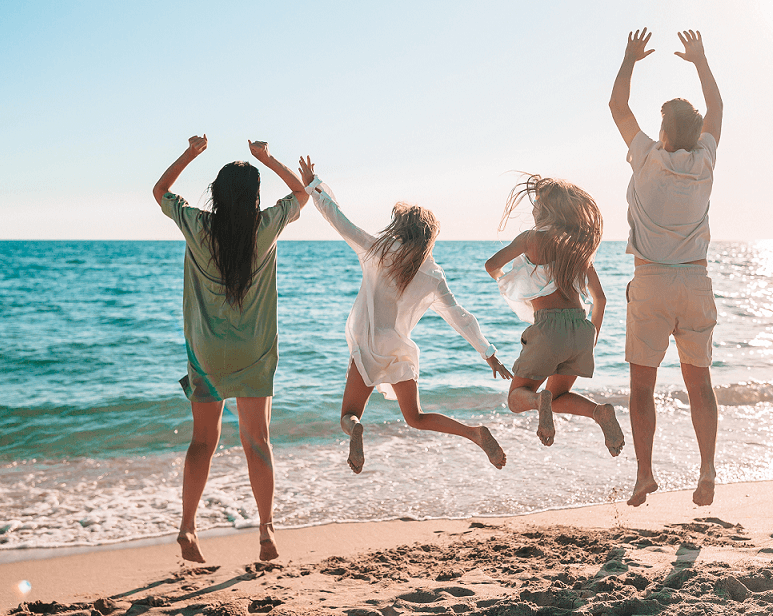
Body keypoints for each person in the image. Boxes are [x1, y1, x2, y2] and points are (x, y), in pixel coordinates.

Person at [152, 135, 311, 563]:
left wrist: (190, 152)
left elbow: (160, 191)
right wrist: (267, 157)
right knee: (256, 441)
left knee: (202, 441)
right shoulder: (266, 226)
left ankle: (187, 528)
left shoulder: (198, 226)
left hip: (206, 356)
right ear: (255, 197)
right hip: (255, 354)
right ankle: (266, 532)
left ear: (217, 197)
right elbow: (302, 194)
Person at [300, 171, 512, 474]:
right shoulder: (433, 276)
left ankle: (357, 430)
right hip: (399, 349)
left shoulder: (378, 251)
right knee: (416, 418)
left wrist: (314, 186)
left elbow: (341, 221)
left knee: (349, 415)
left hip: (368, 344)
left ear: (400, 229)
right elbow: (460, 317)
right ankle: (474, 433)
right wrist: (489, 353)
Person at [608, 28, 724, 507]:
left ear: (666, 132)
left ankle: (644, 476)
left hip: (652, 281)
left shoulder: (648, 159)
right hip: (695, 280)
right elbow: (717, 107)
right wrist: (699, 61)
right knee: (700, 383)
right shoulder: (704, 162)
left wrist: (630, 57)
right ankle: (708, 470)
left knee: (642, 385)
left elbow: (617, 107)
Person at [485, 175, 624, 456]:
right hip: (581, 329)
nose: (534, 210)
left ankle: (539, 402)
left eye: (537, 204)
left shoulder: (530, 239)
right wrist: (591, 337)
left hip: (549, 328)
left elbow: (491, 265)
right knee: (560, 395)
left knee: (515, 399)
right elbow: (601, 298)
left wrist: (511, 283)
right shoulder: (578, 247)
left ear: (546, 211)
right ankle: (600, 413)